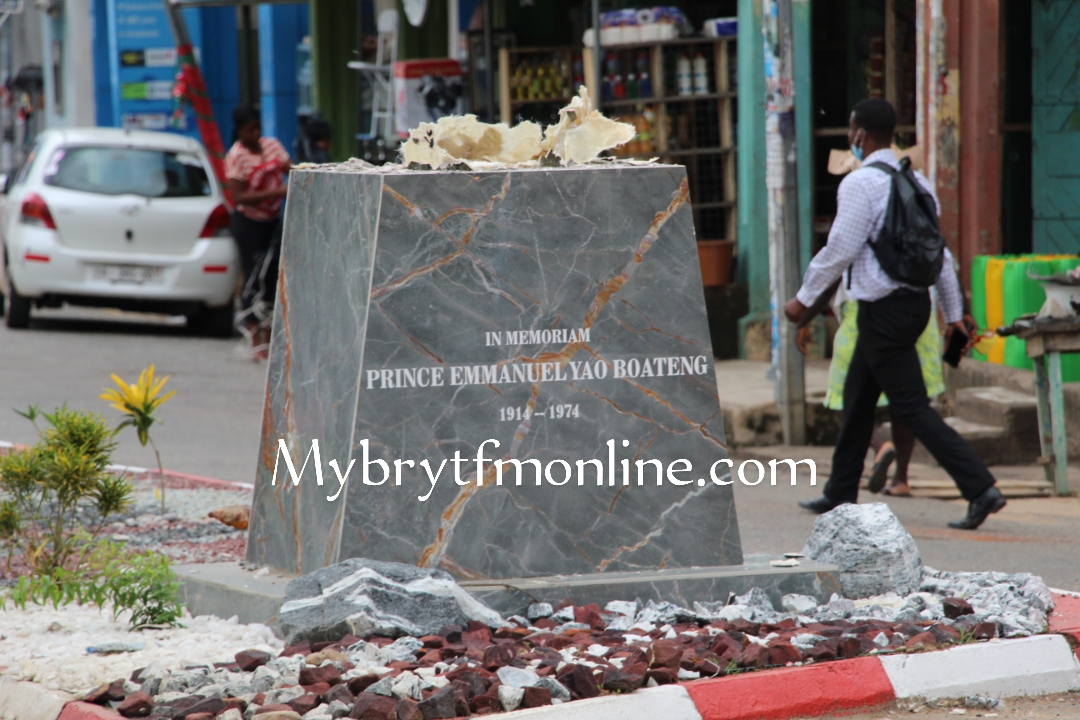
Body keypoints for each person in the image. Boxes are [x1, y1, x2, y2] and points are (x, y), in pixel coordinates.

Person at [784, 98, 1005, 530]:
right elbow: (938, 256)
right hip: (911, 307)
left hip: (882, 313)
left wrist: (803, 300)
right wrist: (953, 311)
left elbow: (838, 251)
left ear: (860, 135)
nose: (851, 139)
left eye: (851, 132)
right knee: (858, 399)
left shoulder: (860, 184)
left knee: (912, 408)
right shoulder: (918, 182)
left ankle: (981, 489)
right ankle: (839, 492)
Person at [224, 104, 291, 360]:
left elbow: (290, 169)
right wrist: (278, 193)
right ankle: (254, 335)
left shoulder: (272, 145)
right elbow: (239, 197)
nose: (256, 134)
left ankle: (269, 330)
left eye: (258, 128)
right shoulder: (236, 155)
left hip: (273, 221)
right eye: (250, 130)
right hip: (249, 224)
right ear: (240, 131)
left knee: (272, 275)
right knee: (253, 277)